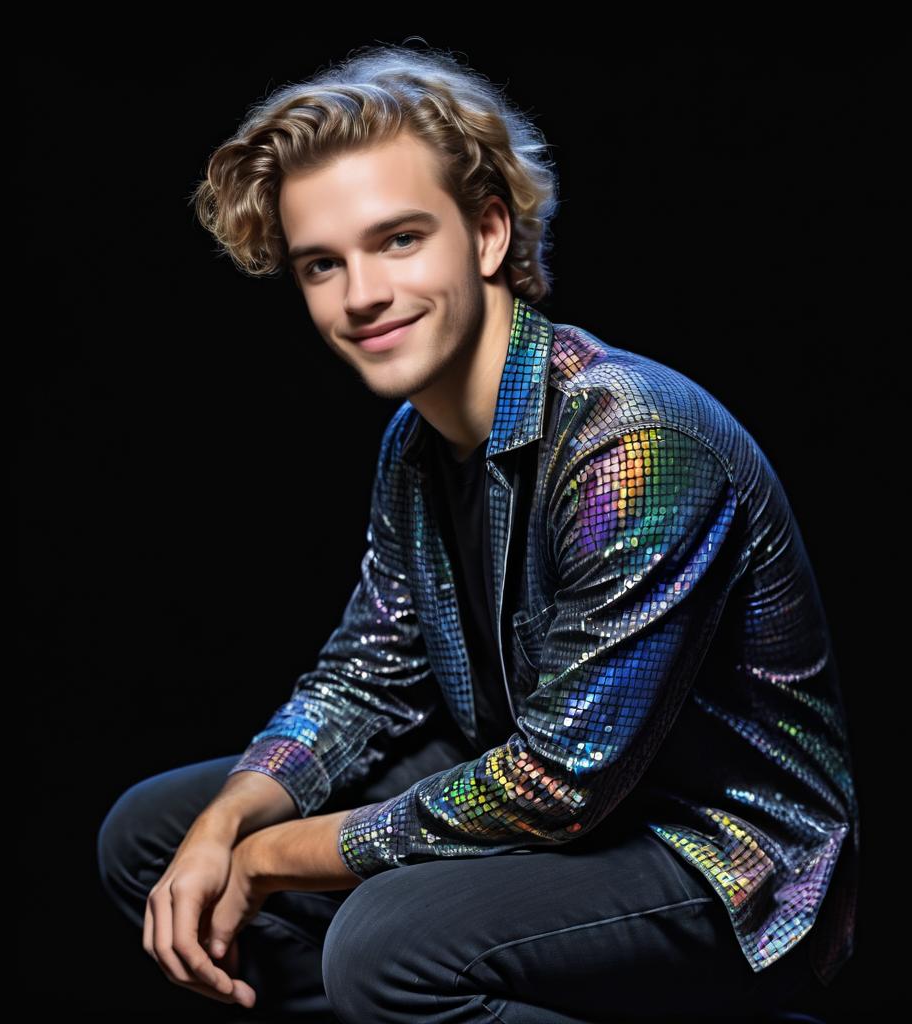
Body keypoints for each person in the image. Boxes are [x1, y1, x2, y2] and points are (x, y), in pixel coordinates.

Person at [97, 40, 860, 1024]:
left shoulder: (630, 435)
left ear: (489, 233)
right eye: (321, 264)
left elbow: (555, 782)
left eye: (399, 240)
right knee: (154, 838)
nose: (360, 294)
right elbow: (365, 676)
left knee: (385, 947)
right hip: (545, 789)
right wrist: (228, 822)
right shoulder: (413, 444)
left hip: (721, 862)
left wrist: (276, 853)